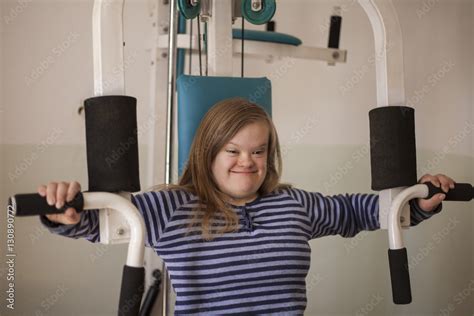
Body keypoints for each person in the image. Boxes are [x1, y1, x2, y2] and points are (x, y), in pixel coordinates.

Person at [39, 98, 455, 315]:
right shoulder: (172, 207)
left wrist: (419, 200)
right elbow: (105, 222)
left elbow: (361, 211)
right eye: (233, 150)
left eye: (259, 151)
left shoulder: (293, 204)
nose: (247, 162)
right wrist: (62, 212)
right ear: (207, 151)